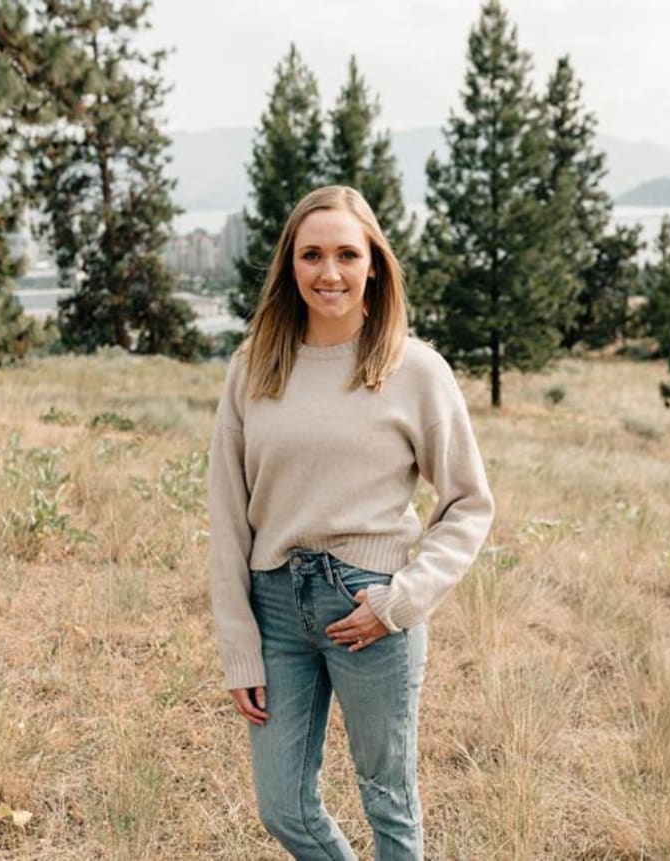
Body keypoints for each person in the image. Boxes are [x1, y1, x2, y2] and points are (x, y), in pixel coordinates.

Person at [208, 185, 494, 860]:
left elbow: (467, 503)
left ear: (374, 265)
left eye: (345, 254)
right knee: (282, 806)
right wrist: (238, 645)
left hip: (370, 605)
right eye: (311, 254)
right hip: (274, 606)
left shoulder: (415, 369)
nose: (328, 272)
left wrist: (399, 601)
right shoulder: (253, 366)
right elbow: (226, 510)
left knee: (387, 799)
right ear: (290, 265)